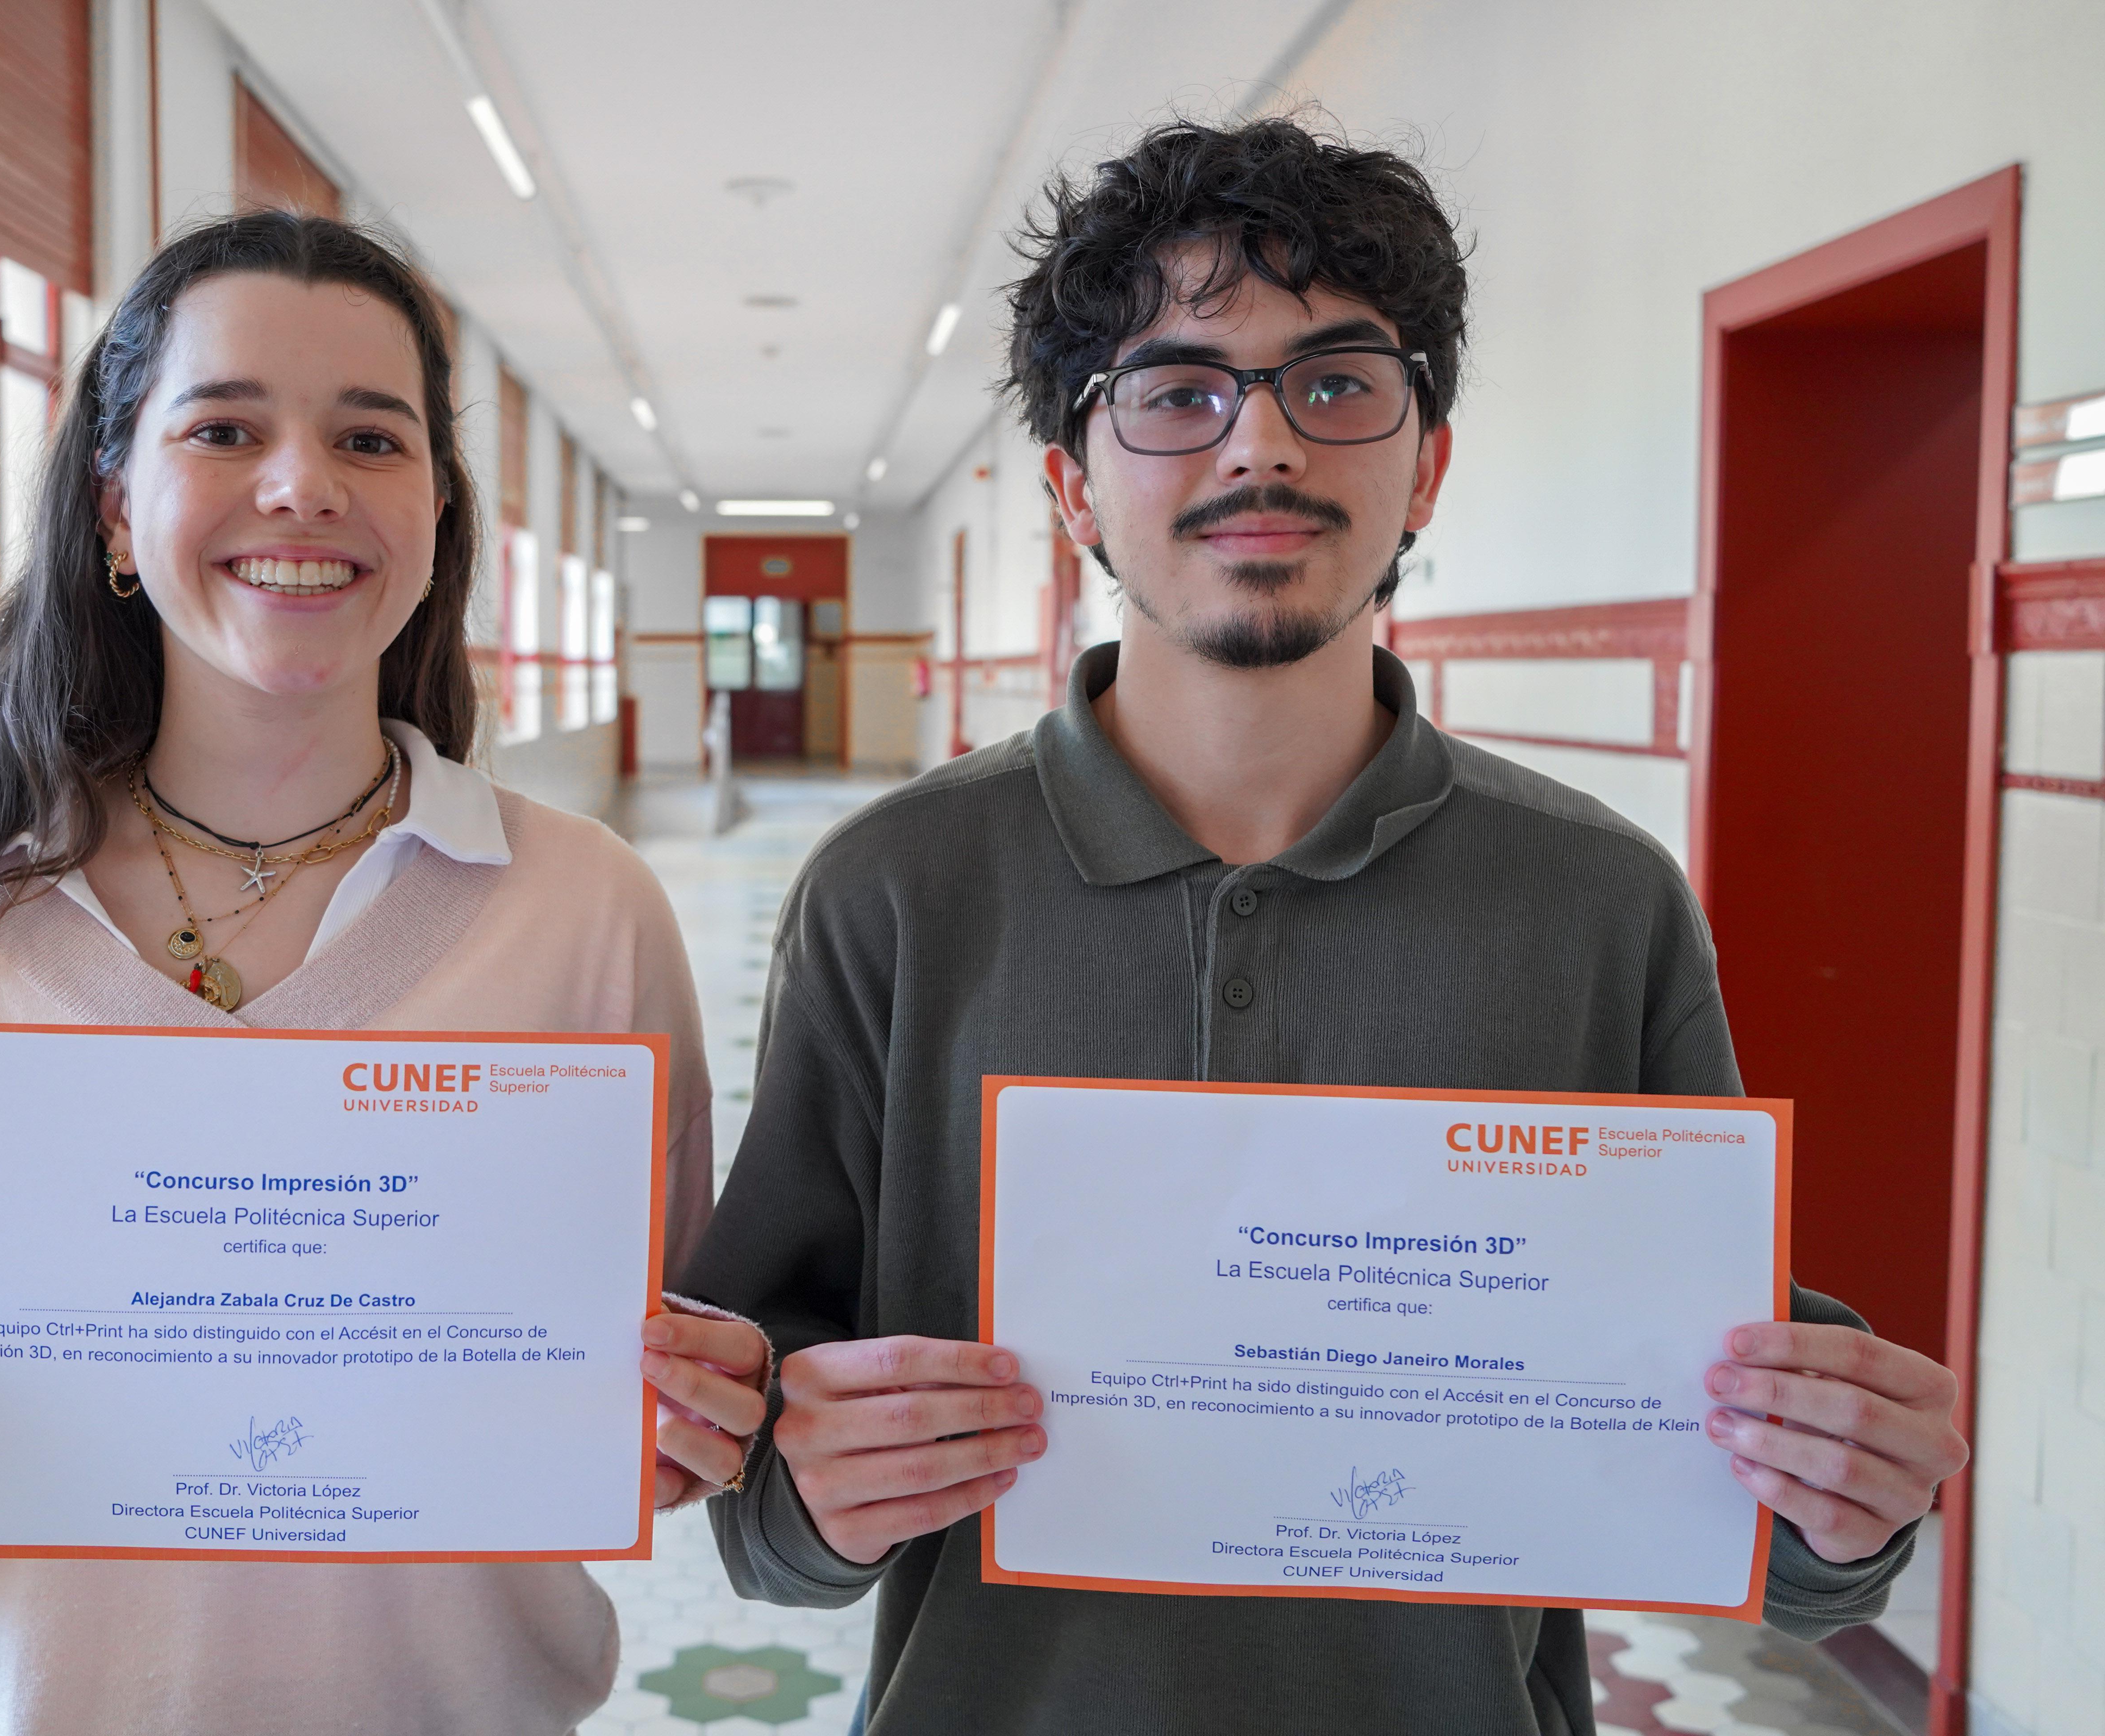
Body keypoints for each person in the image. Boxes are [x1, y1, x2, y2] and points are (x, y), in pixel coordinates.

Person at [648, 118, 1969, 1733]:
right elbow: (760, 1489)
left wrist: (1848, 1503)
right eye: (1178, 390)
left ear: (1428, 461)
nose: (1259, 447)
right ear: (1074, 485)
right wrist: (802, 1492)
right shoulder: (897, 891)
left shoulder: (1598, 901)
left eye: (1337, 382)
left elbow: (1742, 1502)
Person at [0, 212, 765, 1735]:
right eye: (226, 427)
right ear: (117, 512)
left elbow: (661, 1403)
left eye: (371, 439)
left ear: (437, 511)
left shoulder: (586, 911)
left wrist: (697, 1411)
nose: (301, 483)